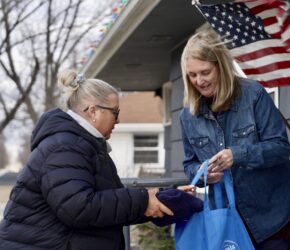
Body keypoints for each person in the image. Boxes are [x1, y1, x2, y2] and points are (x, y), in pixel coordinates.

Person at [0, 69, 194, 250]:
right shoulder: (65, 146)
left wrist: (161, 197)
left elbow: (107, 202)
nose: (118, 121)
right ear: (93, 111)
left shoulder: (82, 144)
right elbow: (78, 207)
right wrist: (143, 201)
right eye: (115, 112)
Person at [179, 29, 290, 250]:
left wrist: (238, 154)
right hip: (226, 223)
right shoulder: (188, 115)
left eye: (205, 72)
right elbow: (189, 164)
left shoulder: (254, 95)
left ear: (221, 67)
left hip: (271, 219)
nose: (199, 81)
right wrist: (203, 173)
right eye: (192, 75)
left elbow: (281, 148)